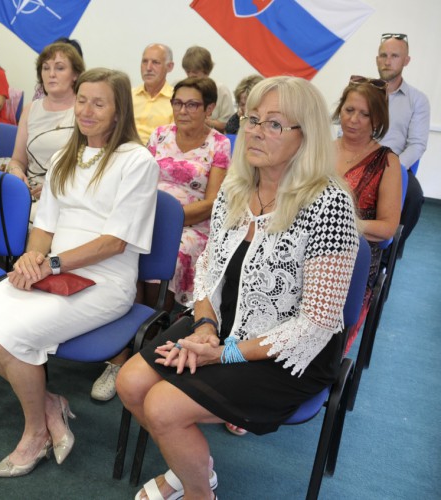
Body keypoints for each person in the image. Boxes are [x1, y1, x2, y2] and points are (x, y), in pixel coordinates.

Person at [116, 76, 360, 500]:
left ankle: (198, 492)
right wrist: (205, 327)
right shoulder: (236, 187)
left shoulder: (329, 204)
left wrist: (223, 353)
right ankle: (193, 471)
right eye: (253, 119)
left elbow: (317, 323)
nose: (257, 132)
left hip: (287, 350)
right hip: (223, 324)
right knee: (131, 383)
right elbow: (209, 267)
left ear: (307, 136)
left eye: (275, 123)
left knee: (162, 406)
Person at [0, 68, 159, 477]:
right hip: (56, 270)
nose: (86, 110)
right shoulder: (65, 157)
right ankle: (49, 404)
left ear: (119, 110)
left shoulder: (136, 161)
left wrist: (49, 263)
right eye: (82, 100)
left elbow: (114, 243)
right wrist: (32, 258)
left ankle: (35, 432)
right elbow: (45, 227)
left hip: (106, 281)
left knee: (14, 337)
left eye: (99, 103)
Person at [90, 77, 232, 402]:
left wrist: (167, 220)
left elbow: (212, 202)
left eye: (192, 104)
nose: (183, 110)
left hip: (190, 226)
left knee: (171, 254)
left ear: (209, 108)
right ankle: (123, 341)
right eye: (177, 103)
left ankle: (145, 345)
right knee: (120, 249)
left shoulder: (219, 144)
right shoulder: (160, 134)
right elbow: (140, 182)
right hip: (147, 216)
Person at [334, 75, 401, 353]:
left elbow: (387, 228)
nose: (353, 120)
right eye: (349, 110)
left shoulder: (387, 161)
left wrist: (340, 223)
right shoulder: (320, 150)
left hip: (353, 261)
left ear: (377, 119)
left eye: (364, 114)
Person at [5, 42, 84, 209]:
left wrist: (56, 188)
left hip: (70, 198)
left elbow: (92, 169)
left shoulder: (84, 111)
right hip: (31, 195)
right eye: (46, 68)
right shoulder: (30, 110)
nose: (51, 74)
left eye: (60, 68)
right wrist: (15, 171)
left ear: (75, 74)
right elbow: (17, 160)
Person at [375, 33, 430, 258]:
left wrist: (392, 169)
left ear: (406, 60)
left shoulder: (417, 100)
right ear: (377, 59)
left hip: (395, 165)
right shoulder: (362, 93)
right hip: (359, 160)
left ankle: (388, 256)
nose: (387, 61)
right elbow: (343, 130)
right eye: (383, 55)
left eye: (394, 56)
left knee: (414, 198)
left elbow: (417, 144)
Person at [181, 46, 234, 132]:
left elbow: (228, 125)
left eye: (195, 73)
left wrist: (206, 121)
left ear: (206, 71)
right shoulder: (181, 89)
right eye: (187, 72)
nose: (190, 76)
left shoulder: (221, 90)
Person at [132, 43, 175, 144]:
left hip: (155, 151)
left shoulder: (177, 101)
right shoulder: (128, 96)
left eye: (155, 62)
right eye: (145, 61)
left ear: (169, 67)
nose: (148, 68)